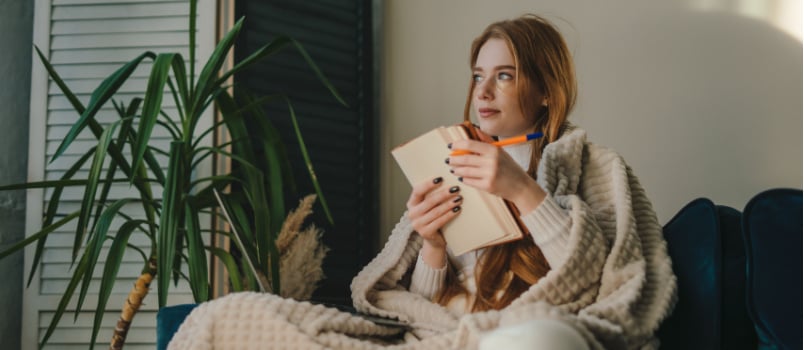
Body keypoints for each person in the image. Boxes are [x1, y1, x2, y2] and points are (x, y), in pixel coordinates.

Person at [167, 14, 676, 350]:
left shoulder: (595, 168)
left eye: (505, 74)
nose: (484, 90)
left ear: (545, 89)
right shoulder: (451, 160)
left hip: (522, 331)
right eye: (478, 75)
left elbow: (599, 281)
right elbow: (419, 311)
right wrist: (431, 246)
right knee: (226, 315)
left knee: (537, 340)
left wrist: (524, 192)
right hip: (437, 338)